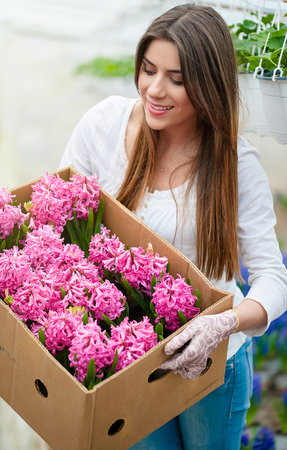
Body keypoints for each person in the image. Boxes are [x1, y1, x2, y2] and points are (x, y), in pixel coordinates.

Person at [59, 4, 287, 449]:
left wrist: (222, 325)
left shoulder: (234, 166)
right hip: (126, 361)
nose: (155, 89)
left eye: (177, 79)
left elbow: (273, 278)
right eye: (148, 70)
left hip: (208, 365)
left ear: (208, 84)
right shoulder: (104, 124)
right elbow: (62, 219)